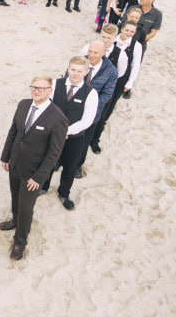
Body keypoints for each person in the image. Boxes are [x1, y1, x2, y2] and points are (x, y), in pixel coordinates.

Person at [0, 76, 68, 259]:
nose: (37, 91)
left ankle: (20, 241)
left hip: (33, 173)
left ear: (50, 90)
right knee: (15, 197)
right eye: (34, 87)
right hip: (14, 163)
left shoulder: (58, 118)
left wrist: (39, 177)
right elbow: (13, 131)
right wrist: (5, 156)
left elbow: (54, 153)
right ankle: (14, 220)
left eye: (41, 88)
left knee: (26, 208)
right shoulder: (23, 105)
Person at [45, 57, 99, 209]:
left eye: (79, 71)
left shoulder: (91, 93)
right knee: (48, 162)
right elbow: (47, 106)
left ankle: (63, 193)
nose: (75, 73)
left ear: (86, 72)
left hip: (75, 138)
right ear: (68, 69)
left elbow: (87, 120)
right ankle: (43, 187)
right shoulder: (55, 84)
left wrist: (66, 131)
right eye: (73, 69)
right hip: (52, 134)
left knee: (70, 167)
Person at [89, 22, 143, 154]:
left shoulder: (121, 55)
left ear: (114, 37)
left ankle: (95, 139)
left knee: (102, 115)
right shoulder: (91, 47)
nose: (105, 40)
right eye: (103, 37)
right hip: (91, 85)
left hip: (110, 87)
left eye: (109, 38)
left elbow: (122, 72)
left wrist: (128, 83)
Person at [73, 38, 119, 176]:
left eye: (95, 53)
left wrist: (88, 104)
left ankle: (77, 167)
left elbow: (107, 94)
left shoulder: (111, 71)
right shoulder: (80, 62)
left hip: (91, 114)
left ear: (104, 53)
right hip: (72, 110)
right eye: (90, 51)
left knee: (83, 142)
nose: (91, 55)